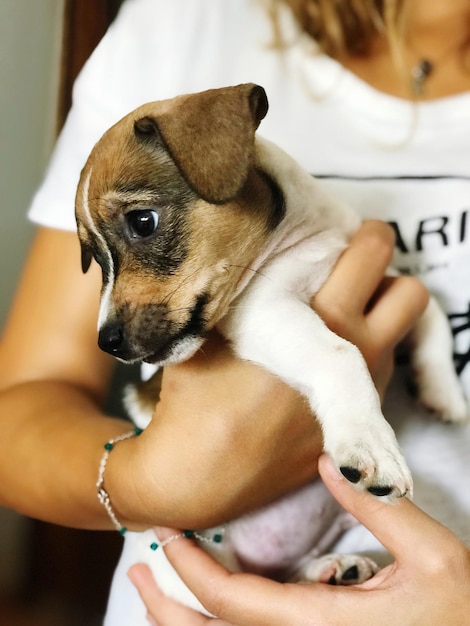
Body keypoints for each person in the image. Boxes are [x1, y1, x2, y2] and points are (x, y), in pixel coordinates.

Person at [0, 0, 469, 624]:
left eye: (144, 225)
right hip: (192, 585)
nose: (116, 308)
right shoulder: (185, 22)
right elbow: (23, 402)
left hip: (367, 553)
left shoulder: (294, 220)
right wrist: (154, 482)